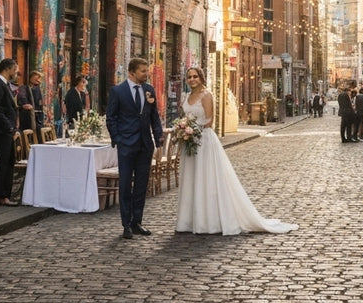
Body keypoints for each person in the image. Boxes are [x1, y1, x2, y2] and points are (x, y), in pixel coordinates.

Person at [175, 67, 298, 235]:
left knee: (206, 177)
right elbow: (185, 116)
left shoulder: (206, 95)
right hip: (190, 142)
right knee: (191, 178)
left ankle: (207, 221)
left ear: (201, 78)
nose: (192, 79)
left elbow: (210, 120)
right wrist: (183, 128)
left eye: (195, 76)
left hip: (203, 140)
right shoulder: (186, 96)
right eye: (189, 77)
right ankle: (188, 221)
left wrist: (191, 128)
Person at [106, 57, 164, 240]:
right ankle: (126, 225)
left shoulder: (149, 90)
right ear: (131, 73)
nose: (146, 74)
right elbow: (111, 118)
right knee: (125, 186)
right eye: (143, 71)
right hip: (126, 145)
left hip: (145, 145)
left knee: (141, 185)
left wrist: (159, 140)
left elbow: (155, 117)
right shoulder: (118, 91)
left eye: (147, 70)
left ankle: (137, 221)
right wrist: (118, 139)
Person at [0, 57, 20, 206]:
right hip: (2, 131)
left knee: (9, 162)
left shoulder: (5, 85)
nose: (16, 72)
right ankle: (1, 196)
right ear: (7, 69)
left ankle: (6, 194)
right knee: (3, 163)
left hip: (7, 130)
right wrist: (10, 128)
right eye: (15, 69)